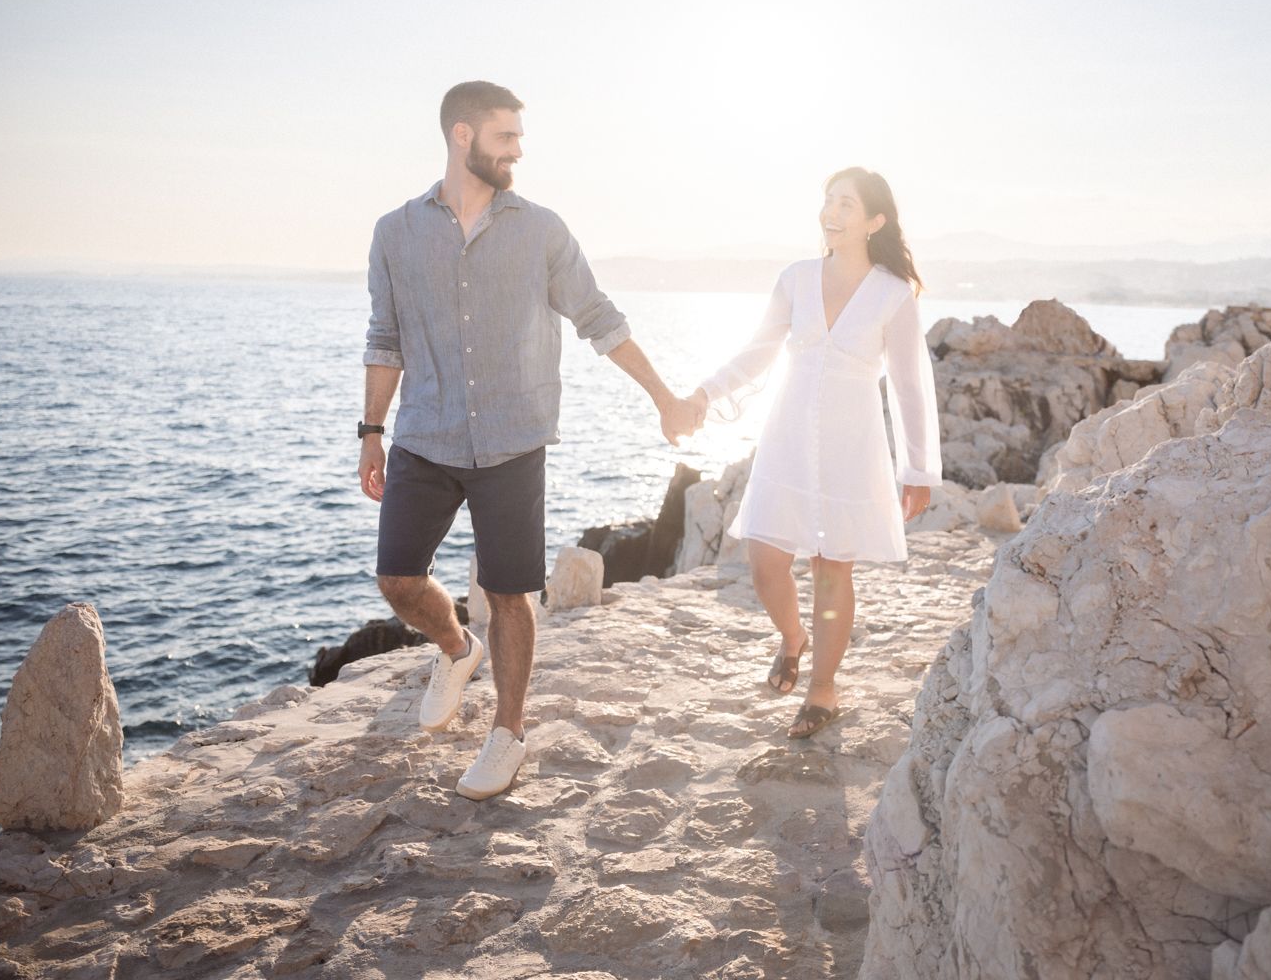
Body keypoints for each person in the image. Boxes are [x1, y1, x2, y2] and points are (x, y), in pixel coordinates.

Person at [359, 80, 700, 800]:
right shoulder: (396, 232)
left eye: (519, 137)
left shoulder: (541, 229)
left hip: (514, 440)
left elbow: (599, 318)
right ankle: (456, 649)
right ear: (462, 136)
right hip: (425, 432)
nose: (518, 150)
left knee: (511, 593)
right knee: (396, 578)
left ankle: (507, 735)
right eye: (505, 137)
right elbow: (385, 339)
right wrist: (371, 434)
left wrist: (664, 397)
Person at [686, 167, 941, 738]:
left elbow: (909, 384)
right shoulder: (797, 279)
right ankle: (793, 637)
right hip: (786, 440)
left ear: (875, 221)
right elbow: (758, 353)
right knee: (764, 559)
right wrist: (705, 394)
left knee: (833, 571)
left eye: (846, 204)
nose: (831, 211)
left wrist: (918, 467)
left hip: (853, 448)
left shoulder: (893, 295)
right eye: (828, 200)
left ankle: (822, 687)